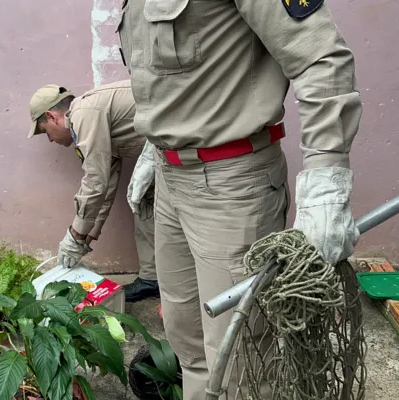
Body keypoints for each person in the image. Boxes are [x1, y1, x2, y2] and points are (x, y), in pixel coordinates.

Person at [118, 0, 362, 398]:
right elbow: (169, 79)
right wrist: (154, 145)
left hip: (232, 186)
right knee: (188, 344)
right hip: (169, 178)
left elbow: (321, 57)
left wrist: (326, 181)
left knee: (240, 364)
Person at [26, 80, 161, 302]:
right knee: (143, 199)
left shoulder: (83, 115)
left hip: (183, 136)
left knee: (161, 210)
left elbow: (95, 182)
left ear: (51, 117)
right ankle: (152, 280)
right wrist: (86, 238)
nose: (50, 139)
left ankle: (170, 285)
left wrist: (75, 236)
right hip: (161, 144)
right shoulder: (87, 117)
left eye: (45, 132)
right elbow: (106, 184)